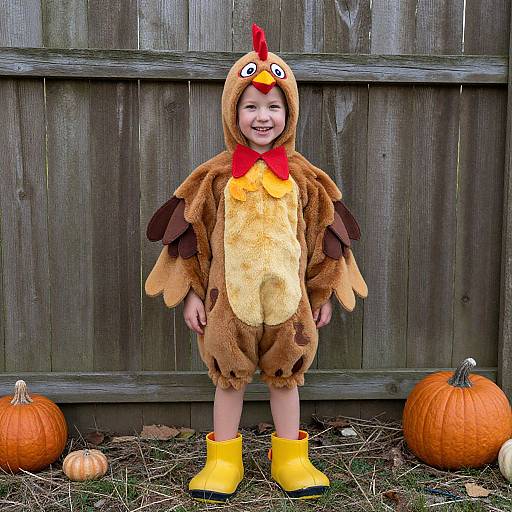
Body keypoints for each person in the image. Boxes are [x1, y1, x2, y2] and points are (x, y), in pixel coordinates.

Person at [145, 24, 367, 503]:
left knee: (287, 378)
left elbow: (324, 239)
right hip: (228, 306)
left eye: (273, 106)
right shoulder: (214, 178)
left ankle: (291, 458)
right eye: (250, 106)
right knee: (228, 379)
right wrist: (188, 295)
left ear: (289, 112)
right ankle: (223, 459)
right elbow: (188, 236)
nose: (262, 116)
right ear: (232, 110)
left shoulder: (307, 180)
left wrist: (321, 294)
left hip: (290, 307)